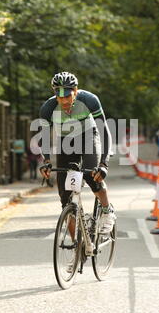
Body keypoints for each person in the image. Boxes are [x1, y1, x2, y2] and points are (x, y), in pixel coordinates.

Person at [34, 71, 115, 235]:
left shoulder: (89, 100)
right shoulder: (48, 108)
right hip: (65, 141)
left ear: (75, 91)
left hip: (88, 136)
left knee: (92, 175)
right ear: (54, 94)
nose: (63, 101)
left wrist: (104, 163)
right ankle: (76, 249)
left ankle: (107, 211)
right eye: (60, 96)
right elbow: (44, 136)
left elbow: (104, 131)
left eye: (68, 96)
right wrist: (47, 161)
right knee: (65, 198)